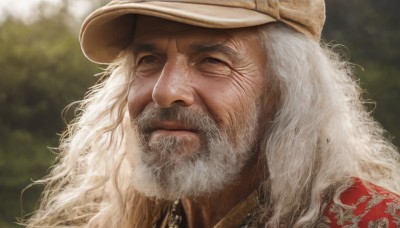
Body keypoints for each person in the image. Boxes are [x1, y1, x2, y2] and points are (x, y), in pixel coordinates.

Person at [25, 0, 400, 227]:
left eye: (212, 61)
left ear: (286, 90)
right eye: (149, 59)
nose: (165, 90)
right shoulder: (116, 220)